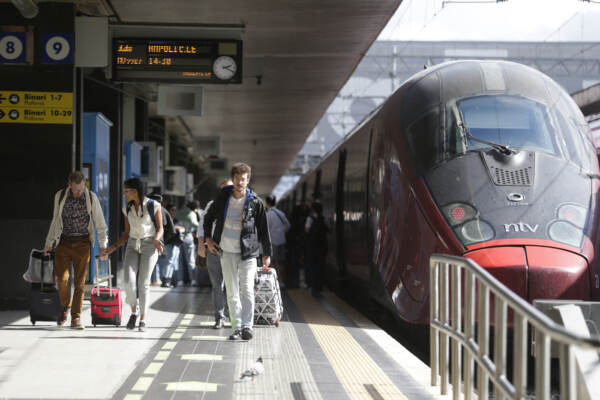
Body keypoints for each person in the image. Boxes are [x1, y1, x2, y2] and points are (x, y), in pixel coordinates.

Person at [203, 163, 272, 341]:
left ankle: (247, 327)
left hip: (248, 253)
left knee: (247, 290)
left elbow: (263, 229)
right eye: (237, 179)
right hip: (225, 251)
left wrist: (266, 254)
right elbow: (208, 218)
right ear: (233, 179)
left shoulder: (255, 202)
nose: (240, 182)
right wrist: (208, 240)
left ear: (248, 180)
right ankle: (236, 328)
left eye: (244, 179)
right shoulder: (222, 198)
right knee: (232, 292)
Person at [44, 171, 109, 329]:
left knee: (80, 283)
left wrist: (102, 245)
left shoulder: (91, 197)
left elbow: (100, 223)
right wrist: (49, 243)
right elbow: (55, 220)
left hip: (82, 243)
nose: (79, 193)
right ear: (69, 184)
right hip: (64, 242)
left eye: (81, 189)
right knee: (63, 279)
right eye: (76, 190)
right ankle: (65, 307)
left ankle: (76, 318)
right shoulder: (60, 196)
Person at [104, 178, 163, 331]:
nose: (124, 194)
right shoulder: (127, 209)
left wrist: (157, 240)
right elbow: (126, 233)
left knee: (143, 283)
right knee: (128, 281)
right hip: (132, 244)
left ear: (135, 191)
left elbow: (160, 228)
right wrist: (112, 248)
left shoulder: (153, 205)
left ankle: (143, 319)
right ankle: (134, 312)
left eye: (126, 191)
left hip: (150, 244)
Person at [197, 179, 232, 329]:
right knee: (217, 285)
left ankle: (235, 317)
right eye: (223, 189)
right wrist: (201, 246)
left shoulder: (239, 205)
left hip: (233, 250)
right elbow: (202, 226)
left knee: (233, 285)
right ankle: (220, 317)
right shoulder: (212, 205)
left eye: (229, 188)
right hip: (214, 249)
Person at [265, 195, 291, 288]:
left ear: (266, 203)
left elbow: (265, 229)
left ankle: (274, 282)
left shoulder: (267, 215)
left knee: (273, 262)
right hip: (282, 240)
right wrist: (281, 232)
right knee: (281, 262)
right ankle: (282, 282)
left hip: (273, 241)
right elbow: (288, 225)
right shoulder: (280, 213)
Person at [305, 201, 328, 296]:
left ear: (312, 209)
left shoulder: (310, 218)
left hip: (312, 246)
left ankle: (313, 285)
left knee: (312, 265)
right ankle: (320, 285)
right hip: (322, 246)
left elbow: (306, 230)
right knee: (320, 266)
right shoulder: (323, 218)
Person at [175, 200, 200, 286]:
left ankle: (182, 279)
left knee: (180, 260)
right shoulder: (191, 213)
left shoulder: (180, 211)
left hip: (179, 237)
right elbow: (195, 224)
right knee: (190, 259)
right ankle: (193, 279)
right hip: (188, 236)